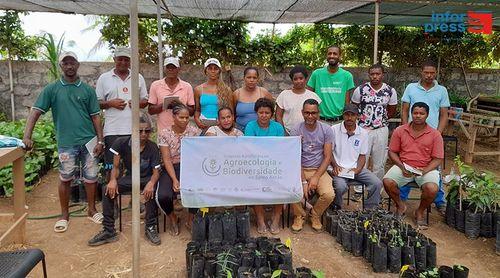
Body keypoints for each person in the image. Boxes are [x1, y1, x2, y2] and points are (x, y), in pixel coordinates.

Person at [22, 51, 104, 233]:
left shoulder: (87, 90)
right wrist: (27, 136)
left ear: (78, 64)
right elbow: (35, 112)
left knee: (91, 178)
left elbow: (96, 117)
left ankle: (92, 210)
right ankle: (64, 214)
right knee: (66, 178)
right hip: (67, 142)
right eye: (65, 63)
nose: (69, 66)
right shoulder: (52, 89)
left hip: (89, 141)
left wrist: (100, 140)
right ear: (61, 66)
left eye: (72, 62)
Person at [88, 113, 162, 246]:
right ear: (133, 130)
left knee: (153, 188)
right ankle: (109, 230)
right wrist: (113, 180)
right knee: (107, 189)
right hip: (130, 178)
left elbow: (156, 172)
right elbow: (115, 167)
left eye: (147, 130)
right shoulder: (121, 143)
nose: (143, 134)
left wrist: (151, 183)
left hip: (147, 178)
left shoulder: (152, 147)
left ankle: (150, 227)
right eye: (140, 131)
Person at [399, 60, 450, 214]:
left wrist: (438, 134)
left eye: (432, 73)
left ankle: (439, 200)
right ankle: (401, 199)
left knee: (435, 167)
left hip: (431, 137)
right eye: (426, 72)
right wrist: (404, 130)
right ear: (421, 72)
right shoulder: (411, 88)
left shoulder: (441, 90)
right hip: (411, 135)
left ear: (436, 73)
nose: (429, 75)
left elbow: (444, 114)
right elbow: (404, 110)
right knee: (406, 164)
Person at [383, 102, 444, 229]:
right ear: (411, 114)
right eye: (415, 113)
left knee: (432, 189)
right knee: (387, 181)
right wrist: (401, 166)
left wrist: (424, 171)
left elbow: (438, 158)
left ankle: (420, 211)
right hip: (404, 166)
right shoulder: (400, 130)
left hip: (425, 168)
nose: (418, 116)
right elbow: (392, 152)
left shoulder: (435, 134)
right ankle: (400, 205)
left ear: (427, 115)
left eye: (422, 113)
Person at [95, 47, 149, 175]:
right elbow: (96, 103)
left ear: (130, 61)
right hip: (112, 131)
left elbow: (145, 101)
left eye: (126, 60)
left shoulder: (138, 77)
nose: (123, 62)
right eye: (120, 59)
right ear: (114, 59)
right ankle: (111, 194)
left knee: (134, 168)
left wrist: (136, 103)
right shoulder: (104, 78)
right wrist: (110, 103)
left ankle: (131, 193)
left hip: (134, 130)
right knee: (111, 167)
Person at [156, 101, 201, 234]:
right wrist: (175, 179)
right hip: (170, 168)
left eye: (187, 117)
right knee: (163, 196)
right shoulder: (164, 133)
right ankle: (172, 218)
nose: (185, 120)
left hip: (189, 166)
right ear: (173, 117)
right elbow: (167, 159)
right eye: (181, 117)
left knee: (198, 190)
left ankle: (191, 219)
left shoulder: (194, 131)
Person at [290, 99, 334, 232]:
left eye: (313, 113)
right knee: (292, 191)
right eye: (307, 113)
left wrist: (315, 178)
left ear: (318, 113)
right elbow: (294, 157)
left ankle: (315, 214)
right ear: (302, 113)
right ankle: (299, 215)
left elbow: (327, 157)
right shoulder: (296, 129)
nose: (310, 116)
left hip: (319, 169)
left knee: (328, 194)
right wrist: (303, 181)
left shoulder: (326, 130)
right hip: (299, 168)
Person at [244, 98, 285, 234]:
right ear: (256, 113)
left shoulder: (278, 127)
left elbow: (281, 149)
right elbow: (249, 147)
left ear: (272, 114)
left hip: (275, 165)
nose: (264, 115)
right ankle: (260, 219)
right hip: (255, 165)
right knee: (256, 186)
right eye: (261, 112)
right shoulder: (250, 126)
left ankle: (276, 218)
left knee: (281, 185)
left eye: (267, 113)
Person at [330, 104, 382, 210]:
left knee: (376, 183)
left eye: (352, 115)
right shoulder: (334, 129)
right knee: (340, 186)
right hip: (338, 168)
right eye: (347, 114)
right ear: (343, 116)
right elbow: (329, 152)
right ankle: (337, 207)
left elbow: (362, 155)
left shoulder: (363, 133)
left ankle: (370, 209)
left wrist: (357, 169)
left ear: (357, 116)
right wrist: (335, 166)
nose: (349, 118)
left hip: (355, 168)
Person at [351, 63, 397, 180]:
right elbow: (354, 108)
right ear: (369, 75)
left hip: (381, 129)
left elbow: (391, 110)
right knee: (362, 159)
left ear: (383, 75)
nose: (375, 77)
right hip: (362, 129)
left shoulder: (389, 91)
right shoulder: (361, 90)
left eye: (378, 74)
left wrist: (379, 120)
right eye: (372, 74)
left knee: (379, 162)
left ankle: (377, 188)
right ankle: (359, 190)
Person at [307, 46, 355, 124]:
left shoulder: (347, 76)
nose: (332, 56)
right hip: (320, 120)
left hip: (339, 121)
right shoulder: (317, 74)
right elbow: (308, 95)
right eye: (329, 53)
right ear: (326, 56)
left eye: (335, 54)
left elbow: (347, 101)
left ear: (340, 56)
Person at [148, 56, 195, 132]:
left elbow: (192, 112)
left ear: (178, 69)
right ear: (164, 69)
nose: (170, 69)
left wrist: (180, 105)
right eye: (168, 67)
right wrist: (164, 104)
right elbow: (150, 110)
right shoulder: (155, 85)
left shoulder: (187, 86)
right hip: (163, 131)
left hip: (183, 131)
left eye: (173, 67)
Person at [276, 65, 321, 134]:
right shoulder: (284, 95)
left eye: (301, 78)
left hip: (308, 133)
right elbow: (278, 115)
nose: (298, 81)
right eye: (295, 79)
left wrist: (314, 132)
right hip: (288, 133)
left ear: (306, 79)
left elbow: (317, 116)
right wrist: (284, 132)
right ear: (292, 80)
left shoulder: (313, 96)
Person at [194, 58, 234, 131]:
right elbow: (197, 110)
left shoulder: (226, 90)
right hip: (203, 127)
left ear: (219, 71)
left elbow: (231, 111)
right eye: (210, 68)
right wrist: (197, 120)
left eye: (215, 69)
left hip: (221, 127)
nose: (213, 71)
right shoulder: (198, 89)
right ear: (205, 71)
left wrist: (224, 123)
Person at [233, 67, 273, 131]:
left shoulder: (264, 92)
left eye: (254, 78)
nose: (251, 80)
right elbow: (232, 113)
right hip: (240, 131)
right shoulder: (237, 94)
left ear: (258, 79)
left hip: (260, 131)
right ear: (244, 78)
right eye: (249, 77)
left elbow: (271, 110)